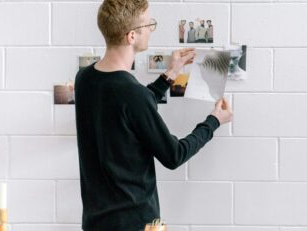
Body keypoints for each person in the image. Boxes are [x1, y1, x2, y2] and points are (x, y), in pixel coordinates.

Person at [74, 0, 233, 231]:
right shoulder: (132, 94)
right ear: (131, 36)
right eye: (149, 25)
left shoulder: (85, 78)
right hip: (135, 224)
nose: (150, 29)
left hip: (95, 223)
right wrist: (214, 121)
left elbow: (130, 110)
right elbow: (174, 155)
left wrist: (171, 73)